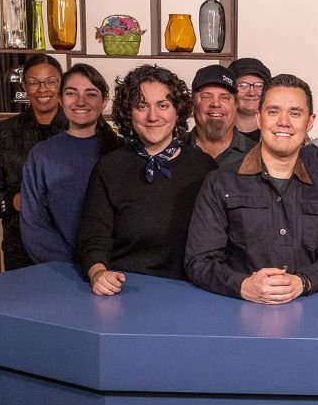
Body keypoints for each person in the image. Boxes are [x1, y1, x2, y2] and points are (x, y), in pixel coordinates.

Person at [186, 75, 318, 302]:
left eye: (295, 113)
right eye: (273, 111)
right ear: (259, 118)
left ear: (310, 122)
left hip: (309, 315)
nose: (284, 121)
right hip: (235, 312)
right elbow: (200, 260)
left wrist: (302, 282)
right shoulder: (219, 182)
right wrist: (242, 285)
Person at [75, 65, 216, 294]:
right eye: (141, 106)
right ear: (128, 112)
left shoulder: (204, 168)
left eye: (163, 105)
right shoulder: (110, 167)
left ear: (177, 111)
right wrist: (98, 274)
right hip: (123, 288)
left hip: (189, 291)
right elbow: (93, 239)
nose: (153, 116)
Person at [19, 64, 122, 264]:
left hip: (115, 271)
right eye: (71, 93)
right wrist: (76, 268)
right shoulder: (41, 155)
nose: (80, 102)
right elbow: (34, 227)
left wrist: (101, 267)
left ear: (104, 101)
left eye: (91, 94)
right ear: (60, 99)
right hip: (60, 272)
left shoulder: (122, 153)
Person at [0, 53, 66, 270]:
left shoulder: (80, 130)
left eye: (50, 81)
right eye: (34, 82)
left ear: (61, 83)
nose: (42, 89)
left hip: (72, 248)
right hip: (21, 250)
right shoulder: (4, 133)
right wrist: (15, 201)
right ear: (24, 86)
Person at [186, 64, 254, 166]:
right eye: (206, 96)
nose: (216, 104)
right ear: (193, 104)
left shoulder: (256, 153)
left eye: (225, 97)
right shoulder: (173, 150)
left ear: (236, 104)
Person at [229, 57, 270, 142]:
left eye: (259, 85)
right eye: (242, 85)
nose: (251, 93)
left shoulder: (281, 133)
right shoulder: (217, 133)